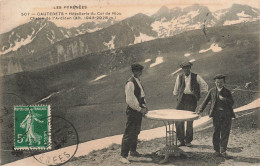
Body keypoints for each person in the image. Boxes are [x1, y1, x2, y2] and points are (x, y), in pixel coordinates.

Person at [198, 74, 235, 157]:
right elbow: (205, 101)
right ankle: (216, 151)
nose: (219, 84)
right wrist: (200, 110)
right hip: (216, 115)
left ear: (224, 83)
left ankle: (223, 151)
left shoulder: (227, 92)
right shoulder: (212, 91)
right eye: (217, 82)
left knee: (225, 132)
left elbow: (232, 102)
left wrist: (224, 99)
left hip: (226, 115)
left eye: (221, 82)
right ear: (215, 82)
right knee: (216, 132)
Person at [173, 61, 208, 147]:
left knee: (189, 120)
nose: (186, 69)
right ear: (182, 69)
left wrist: (199, 94)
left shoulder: (196, 76)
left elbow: (204, 86)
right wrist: (178, 95)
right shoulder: (179, 77)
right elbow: (176, 88)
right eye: (184, 68)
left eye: (188, 67)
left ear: (190, 68)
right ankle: (181, 140)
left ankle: (188, 141)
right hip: (182, 99)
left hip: (191, 100)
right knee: (178, 119)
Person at [120, 63, 148, 164]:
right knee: (129, 132)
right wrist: (140, 109)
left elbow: (141, 96)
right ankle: (123, 155)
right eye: (138, 71)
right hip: (133, 111)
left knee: (136, 131)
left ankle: (133, 151)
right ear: (134, 71)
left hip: (138, 110)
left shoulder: (138, 81)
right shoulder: (130, 83)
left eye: (140, 71)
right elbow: (130, 100)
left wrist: (144, 106)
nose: (140, 73)